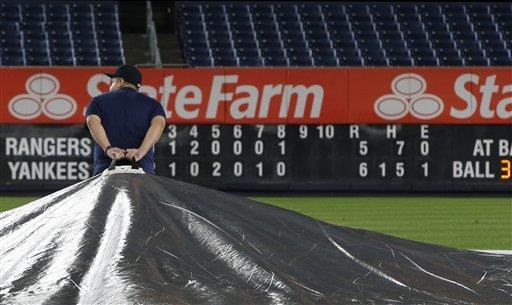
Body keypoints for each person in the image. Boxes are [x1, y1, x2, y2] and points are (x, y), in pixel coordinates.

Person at [85, 64, 166, 175]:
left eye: (112, 82)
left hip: (106, 172)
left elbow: (91, 121)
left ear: (120, 81)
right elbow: (160, 124)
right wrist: (140, 153)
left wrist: (108, 149)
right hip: (142, 171)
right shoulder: (153, 104)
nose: (110, 86)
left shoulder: (98, 101)